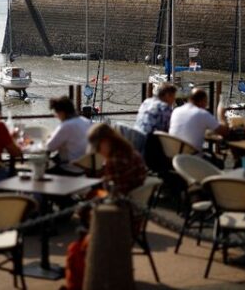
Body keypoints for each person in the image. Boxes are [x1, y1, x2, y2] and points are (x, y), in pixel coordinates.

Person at [65, 123, 147, 290]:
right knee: (90, 199)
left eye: (97, 147)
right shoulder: (131, 153)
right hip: (136, 213)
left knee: (85, 207)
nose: (97, 151)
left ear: (106, 141)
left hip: (121, 218)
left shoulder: (116, 160)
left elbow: (114, 194)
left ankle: (88, 257)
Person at [169, 88, 229, 154]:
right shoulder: (202, 113)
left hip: (174, 155)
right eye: (206, 102)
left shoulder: (176, 111)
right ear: (201, 101)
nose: (206, 105)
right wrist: (221, 114)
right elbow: (224, 132)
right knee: (219, 162)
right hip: (192, 159)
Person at [134, 83, 177, 173]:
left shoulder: (146, 102)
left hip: (136, 141)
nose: (174, 100)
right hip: (150, 146)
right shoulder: (165, 107)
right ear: (167, 95)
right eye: (173, 97)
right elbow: (169, 131)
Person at [45, 96, 91, 174]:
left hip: (71, 168)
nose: (56, 116)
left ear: (62, 112)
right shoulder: (86, 121)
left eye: (56, 113)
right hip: (87, 166)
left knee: (41, 169)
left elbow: (49, 147)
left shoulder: (66, 126)